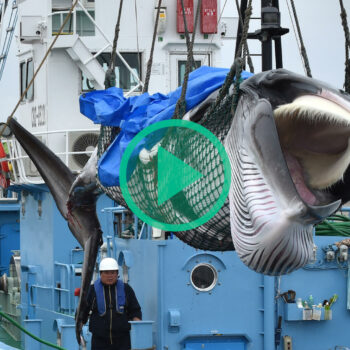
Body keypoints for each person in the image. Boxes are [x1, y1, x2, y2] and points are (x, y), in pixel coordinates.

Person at [83, 257, 142, 350]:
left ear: (117, 274)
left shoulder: (126, 289)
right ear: (100, 274)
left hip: (123, 341)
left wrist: (138, 330)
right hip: (99, 341)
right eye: (106, 273)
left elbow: (135, 310)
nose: (110, 276)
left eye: (113, 272)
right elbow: (83, 311)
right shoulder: (92, 290)